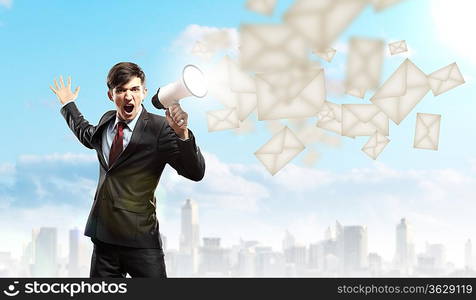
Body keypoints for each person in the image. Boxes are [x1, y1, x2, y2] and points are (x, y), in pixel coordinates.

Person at [50, 62, 205, 278]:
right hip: (103, 240)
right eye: (121, 90)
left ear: (144, 92)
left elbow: (195, 172)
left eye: (134, 89)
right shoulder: (106, 120)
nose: (128, 96)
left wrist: (182, 134)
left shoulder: (160, 128)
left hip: (140, 242)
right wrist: (68, 104)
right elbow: (87, 135)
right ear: (110, 95)